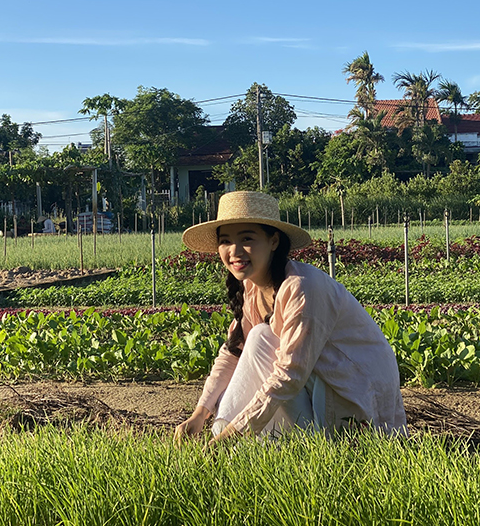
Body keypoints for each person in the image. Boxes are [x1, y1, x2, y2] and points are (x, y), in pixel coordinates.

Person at [174, 191, 407, 445]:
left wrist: (235, 431)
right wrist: (200, 414)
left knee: (261, 338)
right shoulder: (253, 289)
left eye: (247, 239)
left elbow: (289, 374)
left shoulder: (301, 287)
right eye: (226, 241)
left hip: (355, 398)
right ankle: (232, 440)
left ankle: (278, 445)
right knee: (257, 338)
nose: (235, 251)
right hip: (316, 388)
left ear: (274, 241)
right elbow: (232, 353)